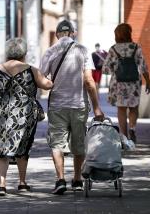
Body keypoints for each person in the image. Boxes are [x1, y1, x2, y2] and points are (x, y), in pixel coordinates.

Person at [0, 38, 53, 196]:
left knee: (2, 149)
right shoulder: (30, 69)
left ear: (7, 53)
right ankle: (22, 183)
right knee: (23, 147)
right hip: (23, 115)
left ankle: (2, 184)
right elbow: (46, 85)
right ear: (24, 53)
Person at [40, 20, 104, 195]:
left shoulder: (50, 52)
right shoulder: (83, 50)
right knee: (78, 143)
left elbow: (42, 79)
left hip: (57, 106)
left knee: (57, 143)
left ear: (56, 34)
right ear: (73, 33)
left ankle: (60, 179)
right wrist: (97, 107)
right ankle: (77, 180)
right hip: (78, 105)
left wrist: (50, 85)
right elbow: (89, 81)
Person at [102, 23, 150, 143]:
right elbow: (143, 66)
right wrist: (148, 82)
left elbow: (105, 69)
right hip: (134, 83)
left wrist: (115, 69)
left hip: (118, 83)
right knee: (134, 108)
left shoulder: (114, 49)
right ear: (129, 33)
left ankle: (123, 136)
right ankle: (132, 128)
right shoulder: (136, 47)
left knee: (122, 109)